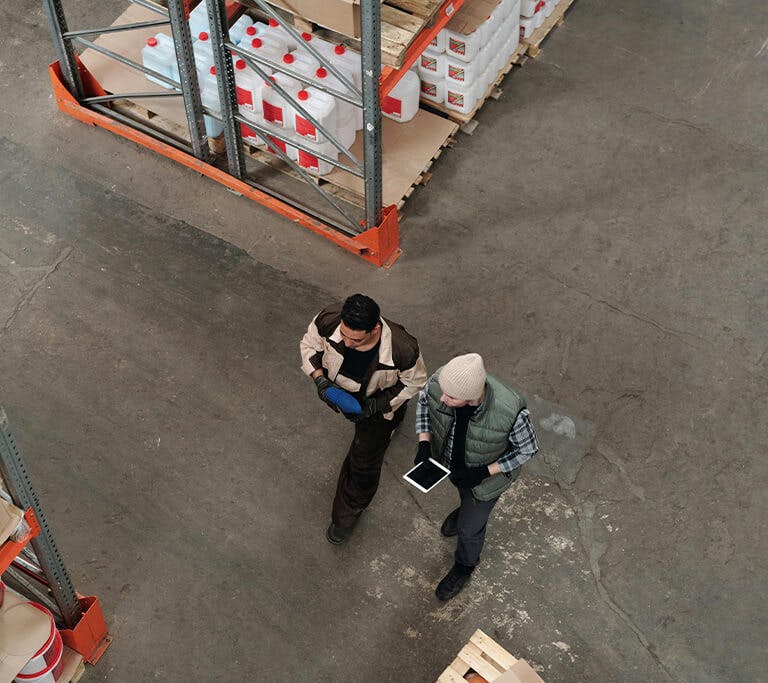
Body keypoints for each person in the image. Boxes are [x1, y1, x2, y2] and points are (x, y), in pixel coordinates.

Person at [301, 294, 427, 545]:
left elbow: (414, 382)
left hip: (376, 406)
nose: (346, 343)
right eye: (343, 335)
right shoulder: (329, 319)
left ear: (375, 329)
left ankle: (347, 513)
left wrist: (376, 406)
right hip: (340, 391)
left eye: (355, 340)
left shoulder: (403, 349)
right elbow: (308, 346)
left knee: (363, 462)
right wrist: (320, 380)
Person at [414, 353, 539, 601]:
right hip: (456, 469)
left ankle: (465, 566)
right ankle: (464, 509)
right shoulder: (442, 382)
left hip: (485, 482)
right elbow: (424, 403)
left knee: (469, 531)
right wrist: (424, 443)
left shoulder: (510, 412)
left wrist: (484, 472)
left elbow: (528, 449)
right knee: (464, 495)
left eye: (451, 397)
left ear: (472, 396)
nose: (443, 399)